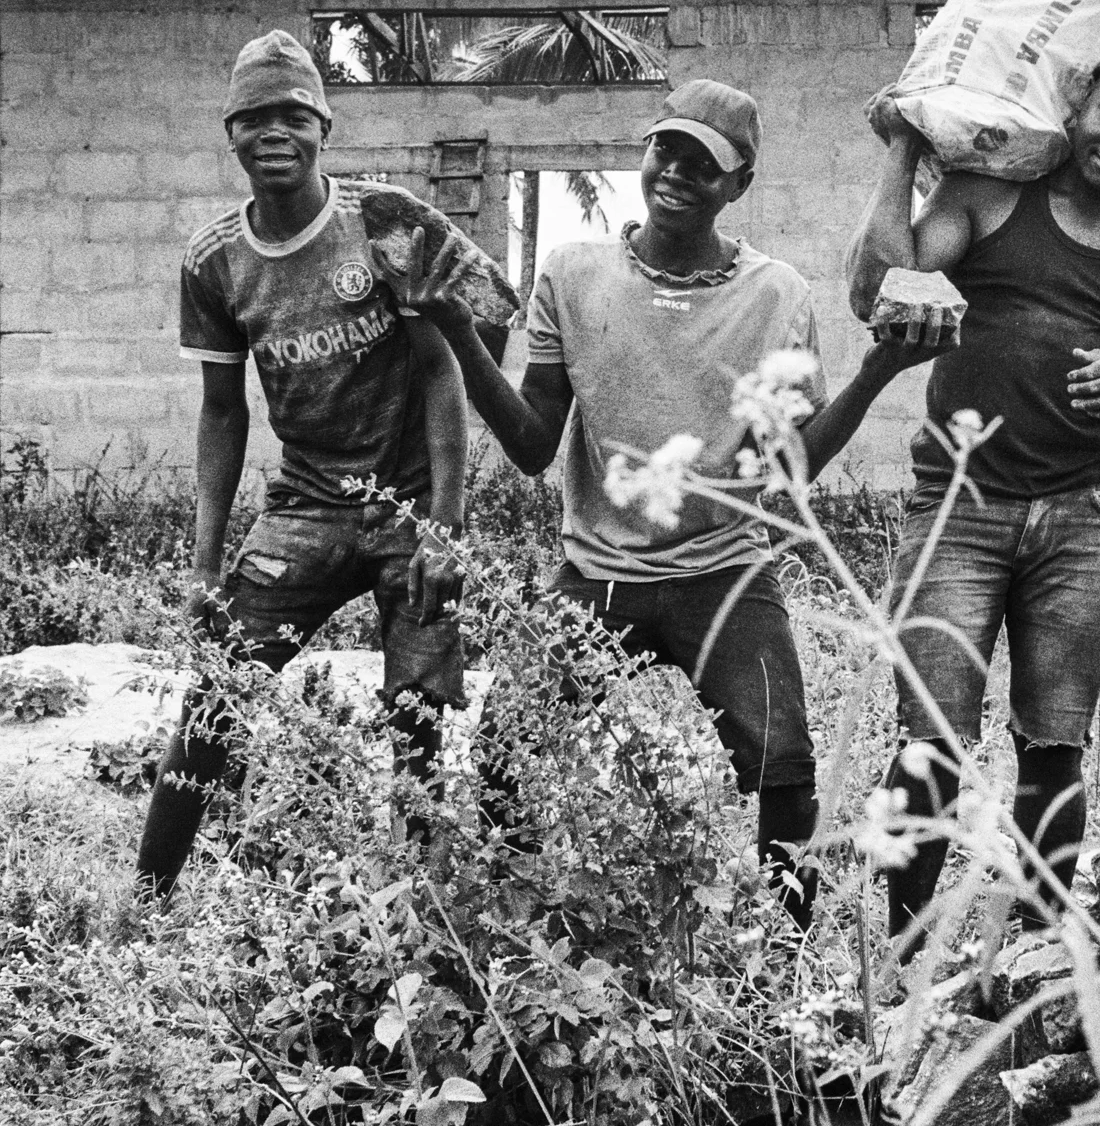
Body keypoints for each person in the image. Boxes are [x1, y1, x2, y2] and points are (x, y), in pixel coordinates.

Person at [398, 79, 938, 931]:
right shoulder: (575, 276)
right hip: (596, 573)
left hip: (725, 572)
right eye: (666, 152)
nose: (678, 174)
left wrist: (875, 375)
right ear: (645, 156)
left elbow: (789, 468)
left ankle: (785, 965)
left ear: (740, 183)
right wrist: (459, 331)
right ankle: (524, 935)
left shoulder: (777, 295)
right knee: (505, 755)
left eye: (705, 165)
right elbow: (536, 444)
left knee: (785, 768)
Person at [847, 30, 1100, 948]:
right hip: (956, 514)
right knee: (927, 745)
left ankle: (1043, 962)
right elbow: (884, 276)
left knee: (1054, 748)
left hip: (1084, 519)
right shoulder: (991, 193)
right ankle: (901, 953)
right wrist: (905, 143)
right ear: (1081, 101)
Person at [136, 30, 471, 895]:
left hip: (408, 509)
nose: (273, 133)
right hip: (306, 508)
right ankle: (144, 901)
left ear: (325, 124)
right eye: (254, 119)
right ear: (231, 134)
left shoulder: (381, 222)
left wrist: (446, 527)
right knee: (214, 700)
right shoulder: (214, 262)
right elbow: (222, 413)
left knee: (419, 719)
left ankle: (420, 920)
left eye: (292, 114)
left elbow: (442, 370)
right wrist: (205, 562)